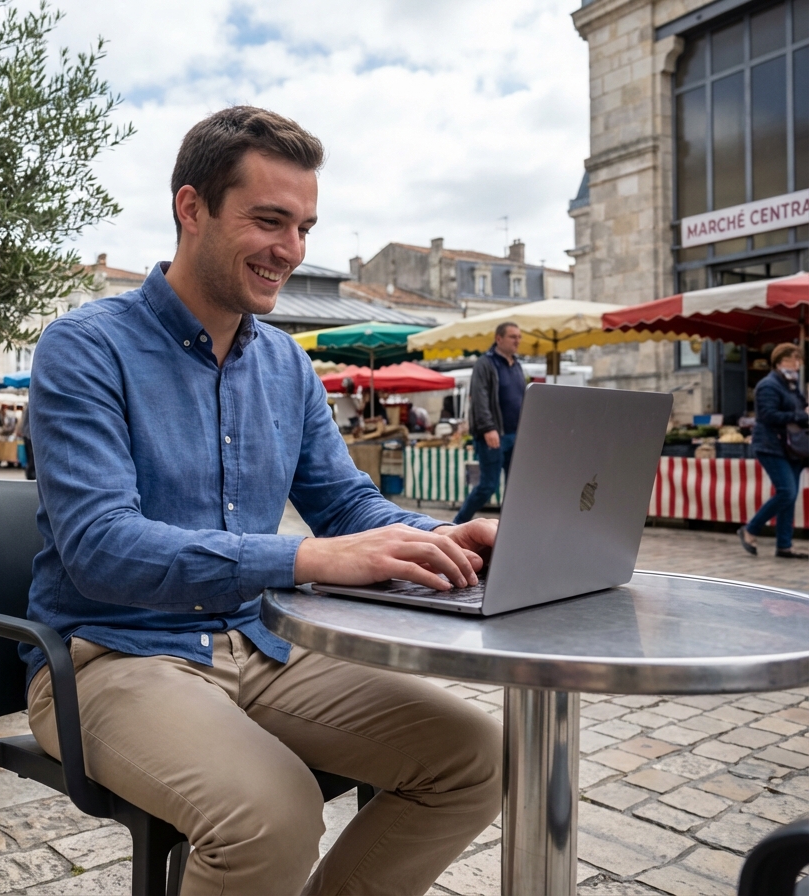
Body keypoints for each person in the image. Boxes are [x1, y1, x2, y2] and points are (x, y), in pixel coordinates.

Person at [25, 106, 500, 896]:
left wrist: (447, 537)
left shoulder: (284, 363)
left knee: (480, 756)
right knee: (271, 816)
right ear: (191, 209)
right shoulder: (85, 347)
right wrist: (306, 558)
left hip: (261, 643)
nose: (293, 251)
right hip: (110, 654)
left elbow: (347, 505)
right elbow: (101, 546)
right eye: (271, 220)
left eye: (305, 226)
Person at [452, 321, 526, 525]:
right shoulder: (486, 364)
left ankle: (514, 526)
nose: (517, 341)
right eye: (513, 337)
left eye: (519, 337)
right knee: (488, 486)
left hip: (515, 434)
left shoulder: (517, 365)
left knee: (516, 486)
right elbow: (480, 398)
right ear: (499, 339)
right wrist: (488, 428)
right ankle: (457, 523)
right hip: (494, 435)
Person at [740, 343, 809, 558]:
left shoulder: (791, 385)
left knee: (790, 495)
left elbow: (798, 409)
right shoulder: (768, 385)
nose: (797, 365)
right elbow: (768, 415)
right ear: (779, 361)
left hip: (793, 447)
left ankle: (784, 545)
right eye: (792, 360)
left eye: (798, 360)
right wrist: (802, 416)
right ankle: (750, 528)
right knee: (786, 491)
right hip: (771, 445)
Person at [15, 402, 33, 480]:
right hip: (29, 434)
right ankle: (31, 473)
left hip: (27, 434)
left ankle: (30, 473)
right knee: (31, 455)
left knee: (30, 456)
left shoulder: (26, 408)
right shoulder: (30, 406)